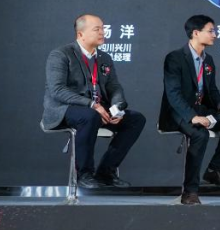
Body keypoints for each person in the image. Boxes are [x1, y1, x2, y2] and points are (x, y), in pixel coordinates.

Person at [42, 14, 146, 188]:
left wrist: (117, 108)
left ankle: (106, 172)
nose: (102, 32)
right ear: (80, 34)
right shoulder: (60, 55)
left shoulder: (104, 58)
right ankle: (84, 174)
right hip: (66, 109)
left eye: (103, 29)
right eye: (97, 29)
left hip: (98, 110)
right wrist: (92, 105)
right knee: (90, 116)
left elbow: (114, 87)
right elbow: (57, 90)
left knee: (136, 119)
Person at [159, 14, 220, 205]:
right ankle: (190, 192)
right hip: (179, 112)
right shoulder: (174, 58)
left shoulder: (208, 60)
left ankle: (214, 169)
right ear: (196, 33)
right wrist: (192, 117)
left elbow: (212, 90)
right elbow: (173, 94)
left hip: (202, 109)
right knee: (200, 134)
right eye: (211, 31)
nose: (215, 35)